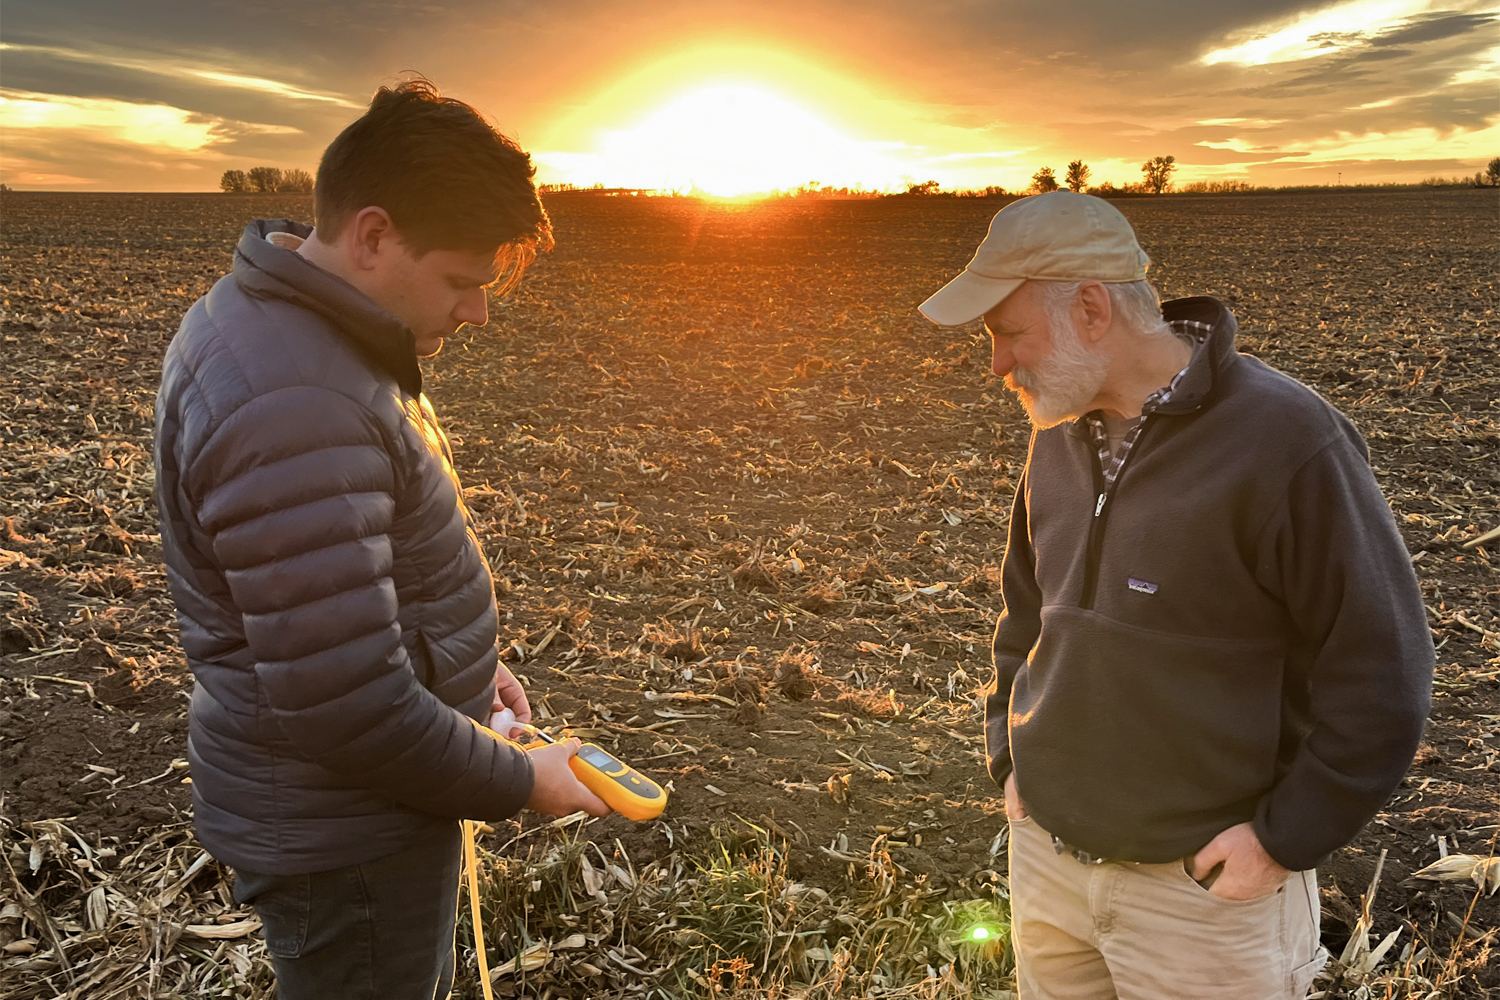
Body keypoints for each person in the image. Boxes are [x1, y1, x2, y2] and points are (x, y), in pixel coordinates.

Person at [153, 80, 610, 1000]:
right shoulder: (296, 400)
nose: (475, 313)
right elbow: (345, 705)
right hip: (351, 836)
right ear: (371, 234)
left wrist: (466, 670)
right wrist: (525, 783)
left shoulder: (296, 329)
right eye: (460, 281)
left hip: (347, 814)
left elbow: (347, 591)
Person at [918, 191, 1433, 1000]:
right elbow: (1025, 615)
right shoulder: (1056, 431)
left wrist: (1282, 840)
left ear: (1091, 309)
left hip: (1200, 898)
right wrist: (1008, 754)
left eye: (1007, 333)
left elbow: (1383, 673)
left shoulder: (1288, 443)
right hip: (1048, 868)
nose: (997, 364)